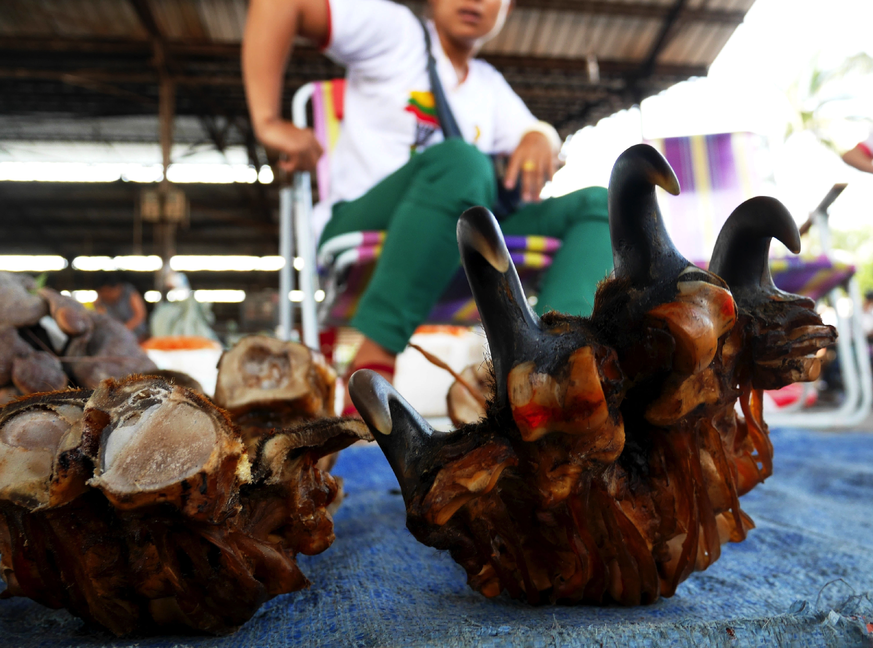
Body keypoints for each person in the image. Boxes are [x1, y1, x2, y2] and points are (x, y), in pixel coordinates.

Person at [243, 0, 613, 413]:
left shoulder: (488, 84)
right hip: (369, 223)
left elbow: (535, 132)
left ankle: (553, 362)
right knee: (463, 162)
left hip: (456, 240)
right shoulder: (396, 32)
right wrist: (267, 121)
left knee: (601, 203)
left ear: (507, 9)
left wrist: (540, 137)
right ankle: (374, 357)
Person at [94, 274, 149, 341]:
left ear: (118, 288)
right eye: (103, 292)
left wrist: (123, 329)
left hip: (137, 335)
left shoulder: (129, 292)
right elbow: (99, 317)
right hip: (114, 337)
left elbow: (140, 315)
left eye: (108, 291)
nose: (106, 294)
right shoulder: (100, 299)